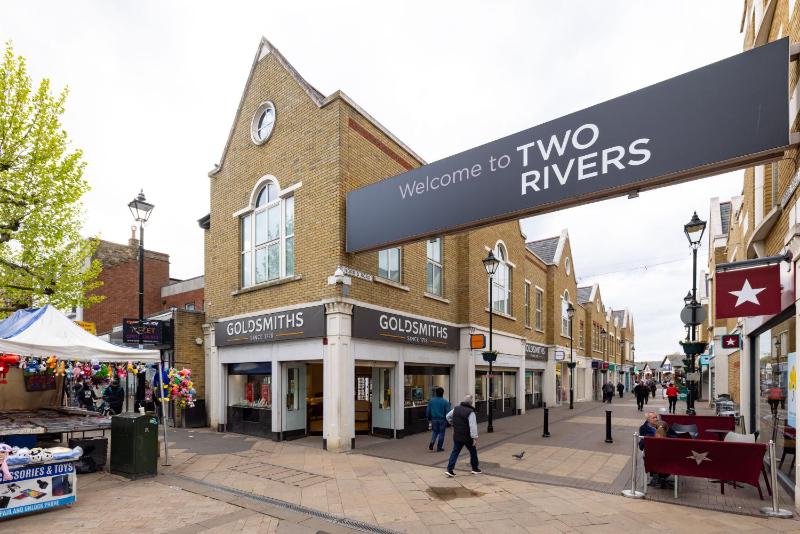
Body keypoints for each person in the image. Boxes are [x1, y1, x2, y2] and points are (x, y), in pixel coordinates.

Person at [445, 395, 481, 477]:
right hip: (467, 436)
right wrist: (474, 437)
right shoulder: (470, 412)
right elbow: (473, 426)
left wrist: (453, 424)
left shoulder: (456, 408)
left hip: (457, 434)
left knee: (455, 451)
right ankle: (475, 468)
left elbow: (448, 416)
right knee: (473, 451)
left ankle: (449, 469)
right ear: (471, 403)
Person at [426, 387, 451, 452]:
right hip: (442, 420)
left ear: (436, 393)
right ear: (443, 393)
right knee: (441, 433)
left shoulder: (431, 401)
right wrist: (449, 421)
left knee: (435, 432)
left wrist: (429, 418)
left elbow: (428, 411)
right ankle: (439, 447)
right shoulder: (445, 402)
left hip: (434, 419)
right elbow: (449, 412)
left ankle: (432, 443)